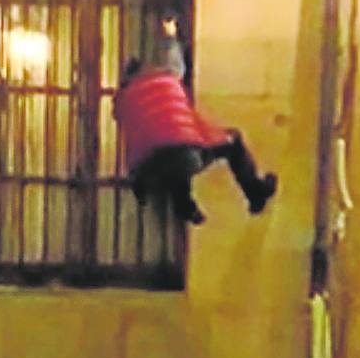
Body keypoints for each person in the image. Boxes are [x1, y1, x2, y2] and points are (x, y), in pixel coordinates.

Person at [113, 11, 278, 225]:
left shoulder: (123, 102)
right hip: (183, 155)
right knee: (223, 143)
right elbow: (175, 60)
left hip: (144, 174)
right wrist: (171, 34)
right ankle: (255, 193)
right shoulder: (167, 76)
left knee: (171, 154)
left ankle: (186, 207)